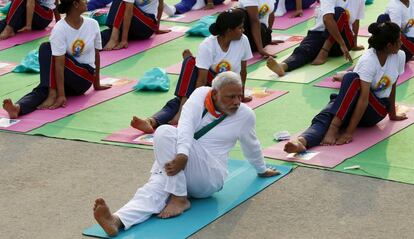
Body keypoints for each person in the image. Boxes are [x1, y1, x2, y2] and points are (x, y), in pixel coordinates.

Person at [93, 71, 280, 237]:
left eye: (239, 96)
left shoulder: (245, 115)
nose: (237, 102)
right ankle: (117, 220)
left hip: (208, 176)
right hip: (180, 168)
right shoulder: (199, 95)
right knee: (154, 188)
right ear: (214, 94)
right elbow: (185, 125)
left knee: (165, 132)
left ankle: (179, 198)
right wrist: (182, 155)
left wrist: (262, 169)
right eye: (231, 97)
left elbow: (252, 145)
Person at [284, 22, 408, 153]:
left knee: (351, 79)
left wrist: (392, 114)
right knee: (326, 115)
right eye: (399, 41)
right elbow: (360, 99)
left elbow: (391, 87)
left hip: (376, 110)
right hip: (353, 102)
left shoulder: (400, 56)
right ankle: (302, 141)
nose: (401, 44)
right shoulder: (369, 60)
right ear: (389, 45)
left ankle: (333, 128)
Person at [130, 9, 253, 134]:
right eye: (240, 28)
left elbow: (243, 71)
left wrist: (240, 95)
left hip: (228, 87)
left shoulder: (243, 40)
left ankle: (178, 109)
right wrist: (195, 102)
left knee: (190, 62)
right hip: (211, 86)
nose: (243, 30)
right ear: (229, 30)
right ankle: (152, 121)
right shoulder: (208, 45)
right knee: (180, 95)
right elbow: (202, 80)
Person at [2, 0, 111, 118]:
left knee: (46, 48)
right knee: (44, 89)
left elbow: (96, 55)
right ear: (75, 4)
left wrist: (96, 83)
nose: (86, 1)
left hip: (83, 78)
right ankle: (18, 108)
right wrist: (60, 93)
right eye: (83, 0)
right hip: (65, 78)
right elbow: (58, 64)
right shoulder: (60, 28)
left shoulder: (92, 24)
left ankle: (53, 93)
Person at [266, 0, 365, 76]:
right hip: (322, 32)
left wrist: (351, 44)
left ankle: (324, 51)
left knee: (339, 12)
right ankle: (283, 66)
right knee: (305, 49)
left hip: (342, 41)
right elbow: (327, 19)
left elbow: (356, 21)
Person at [101, 0, 169, 51]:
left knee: (121, 1)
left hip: (147, 26)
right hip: (136, 26)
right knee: (104, 36)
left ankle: (114, 38)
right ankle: (97, 42)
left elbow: (129, 11)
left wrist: (124, 40)